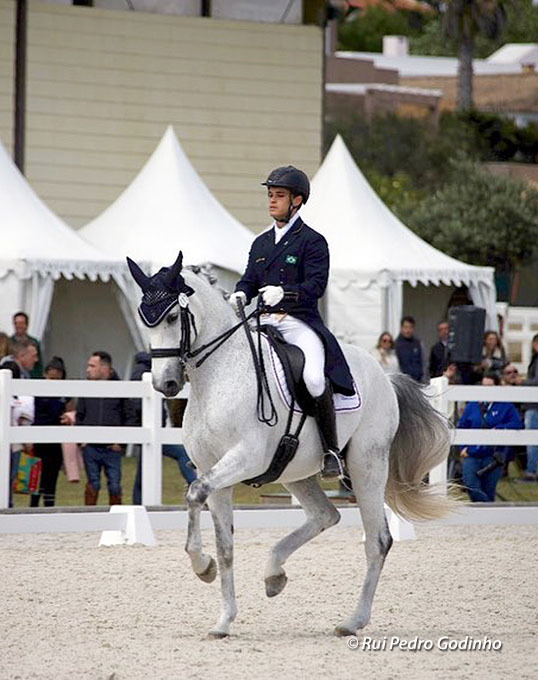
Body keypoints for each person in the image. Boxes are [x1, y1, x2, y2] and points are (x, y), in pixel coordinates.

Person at [228, 165, 355, 479]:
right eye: (270, 195)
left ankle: (331, 451)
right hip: (263, 322)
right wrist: (241, 294)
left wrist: (285, 292)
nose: (272, 201)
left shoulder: (312, 241)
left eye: (279, 196)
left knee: (313, 378)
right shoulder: (260, 243)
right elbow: (249, 280)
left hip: (298, 322)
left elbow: (316, 286)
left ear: (297, 201)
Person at [129, 351, 196, 504]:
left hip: (149, 427)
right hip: (149, 427)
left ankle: (137, 504)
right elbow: (137, 403)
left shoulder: (140, 369)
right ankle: (195, 484)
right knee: (181, 454)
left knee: (143, 472)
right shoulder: (144, 372)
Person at [76, 351, 136, 505]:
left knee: (115, 486)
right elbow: (79, 416)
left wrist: (121, 443)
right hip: (90, 448)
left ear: (104, 368)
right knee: (93, 483)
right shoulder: (85, 389)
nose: (88, 369)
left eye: (92, 366)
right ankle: (89, 519)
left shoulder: (120, 389)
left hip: (112, 449)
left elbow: (130, 418)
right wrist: (81, 441)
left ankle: (115, 518)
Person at [457, 372, 522, 502]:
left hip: (493, 456)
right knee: (470, 485)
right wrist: (462, 447)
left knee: (488, 489)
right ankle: (487, 510)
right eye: (484, 385)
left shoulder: (505, 406)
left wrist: (498, 430)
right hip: (472, 453)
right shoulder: (473, 405)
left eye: (490, 386)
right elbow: (462, 426)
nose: (486, 389)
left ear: (497, 387)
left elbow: (517, 423)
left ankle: (486, 518)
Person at [30, 357, 73, 507]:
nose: (53, 381)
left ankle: (49, 504)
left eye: (57, 378)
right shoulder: (37, 391)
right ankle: (33, 504)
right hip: (39, 437)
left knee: (52, 472)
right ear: (45, 375)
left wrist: (68, 418)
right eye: (51, 378)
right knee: (36, 471)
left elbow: (70, 410)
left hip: (56, 438)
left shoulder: (64, 393)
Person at [517, 334, 538, 483]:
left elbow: (536, 382)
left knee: (532, 439)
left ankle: (530, 472)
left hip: (534, 405)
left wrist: (521, 382)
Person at [10, 312, 43, 378]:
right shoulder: (9, 342)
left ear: (26, 325)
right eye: (16, 323)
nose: (19, 326)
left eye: (21, 323)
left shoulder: (34, 342)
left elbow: (39, 365)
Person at [395, 316, 425, 383]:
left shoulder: (418, 344)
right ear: (401, 328)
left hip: (418, 382)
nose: (408, 330)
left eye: (410, 327)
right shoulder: (396, 345)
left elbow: (423, 363)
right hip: (403, 383)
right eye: (406, 327)